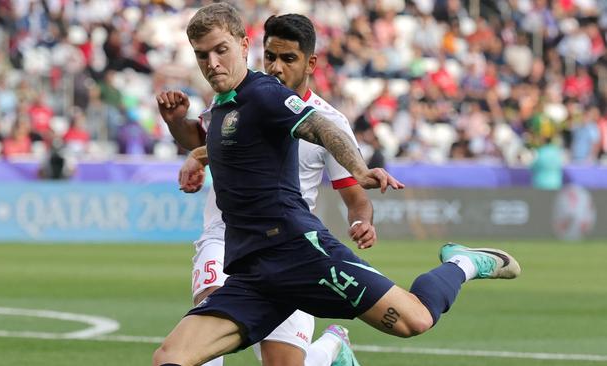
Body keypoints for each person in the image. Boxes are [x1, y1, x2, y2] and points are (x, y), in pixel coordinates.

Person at [153, 4, 521, 366]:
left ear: (243, 46)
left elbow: (321, 125)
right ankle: (330, 350)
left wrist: (360, 171)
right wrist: (187, 143)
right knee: (170, 358)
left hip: (298, 254)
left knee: (415, 320)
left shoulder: (265, 92)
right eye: (202, 55)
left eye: (221, 50)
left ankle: (462, 263)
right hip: (252, 271)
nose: (212, 63)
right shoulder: (222, 108)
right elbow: (219, 144)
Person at [164, 14, 376, 366]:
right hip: (225, 235)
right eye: (271, 58)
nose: (276, 68)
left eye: (287, 59)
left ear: (310, 63)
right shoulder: (238, 96)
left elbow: (355, 197)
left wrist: (361, 221)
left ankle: (331, 348)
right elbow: (207, 140)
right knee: (206, 325)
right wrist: (193, 151)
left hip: (284, 245)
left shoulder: (328, 123)